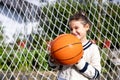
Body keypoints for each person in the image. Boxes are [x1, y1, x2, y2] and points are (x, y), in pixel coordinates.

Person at [48, 10, 101, 80]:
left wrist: (79, 61)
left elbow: (96, 74)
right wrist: (52, 60)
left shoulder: (93, 48)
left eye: (76, 28)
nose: (73, 31)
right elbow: (56, 68)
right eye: (71, 29)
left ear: (87, 27)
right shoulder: (64, 44)